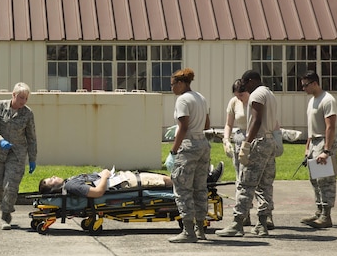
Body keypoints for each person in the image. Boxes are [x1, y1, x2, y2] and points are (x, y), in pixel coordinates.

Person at [216, 70, 279, 238]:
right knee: (265, 185)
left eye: (245, 83)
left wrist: (247, 143)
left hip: (258, 142)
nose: (245, 87)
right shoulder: (269, 93)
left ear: (251, 81)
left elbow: (256, 121)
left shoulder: (256, 95)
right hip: (269, 141)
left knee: (246, 183)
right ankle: (262, 223)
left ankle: (237, 223)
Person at [0, 82, 37, 230]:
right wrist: (0, 140)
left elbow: (31, 138)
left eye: (26, 98)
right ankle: (4, 202)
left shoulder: (28, 113)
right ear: (13, 95)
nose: (23, 101)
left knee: (10, 186)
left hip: (17, 154)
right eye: (21, 97)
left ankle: (6, 215)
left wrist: (32, 159)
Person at [167, 68, 211, 243]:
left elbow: (183, 127)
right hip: (203, 144)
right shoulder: (200, 97)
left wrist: (173, 150)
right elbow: (207, 124)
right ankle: (200, 229)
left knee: (183, 189)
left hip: (189, 146)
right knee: (200, 188)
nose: (172, 88)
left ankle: (188, 231)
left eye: (173, 84)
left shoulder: (183, 100)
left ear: (181, 83)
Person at [38, 164, 223, 198]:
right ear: (54, 188)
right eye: (51, 180)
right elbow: (97, 192)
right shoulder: (71, 185)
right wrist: (105, 176)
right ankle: (207, 180)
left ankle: (203, 178)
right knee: (168, 181)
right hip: (125, 183)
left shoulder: (70, 182)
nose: (54, 177)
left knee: (168, 179)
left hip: (122, 179)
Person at [300, 71, 337, 228]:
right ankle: (319, 211)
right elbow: (311, 127)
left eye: (305, 85)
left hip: (324, 142)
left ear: (315, 83)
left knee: (325, 180)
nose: (303, 88)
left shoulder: (327, 100)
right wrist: (307, 147)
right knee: (315, 180)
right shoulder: (312, 101)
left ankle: (326, 216)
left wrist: (326, 150)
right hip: (314, 143)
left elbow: (330, 127)